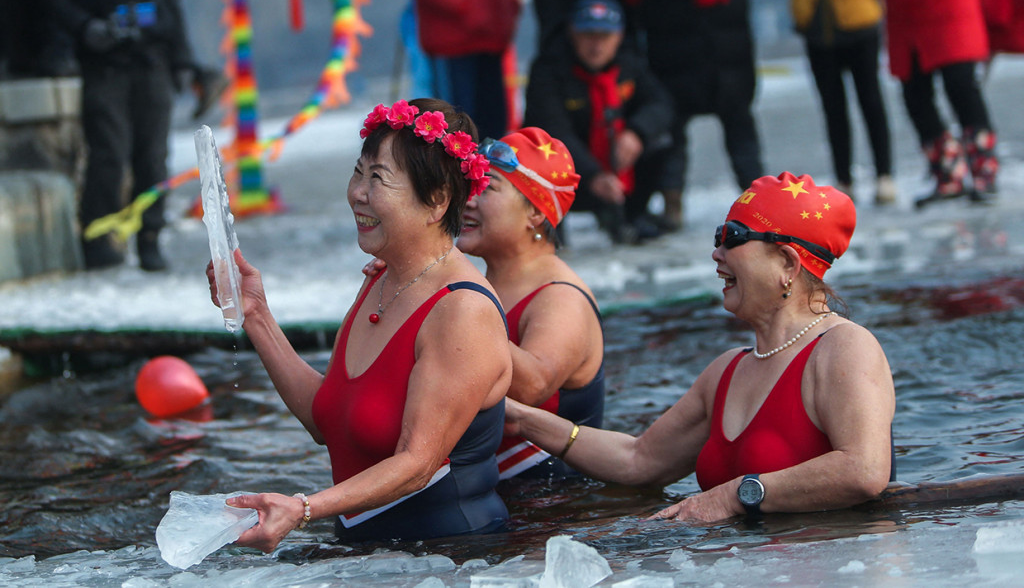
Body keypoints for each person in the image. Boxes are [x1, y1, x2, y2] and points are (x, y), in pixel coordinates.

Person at [207, 98, 513, 550]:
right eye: (358, 172)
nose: (357, 193)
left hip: (453, 559)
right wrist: (256, 314)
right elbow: (326, 419)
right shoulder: (381, 280)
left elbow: (417, 464)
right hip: (371, 556)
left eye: (378, 178)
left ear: (437, 201)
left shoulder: (462, 310)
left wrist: (303, 508)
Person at [504, 172, 896, 521]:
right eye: (717, 238)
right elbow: (638, 460)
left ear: (787, 264)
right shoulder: (727, 370)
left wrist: (735, 496)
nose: (716, 253)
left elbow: (863, 471)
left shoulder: (844, 347)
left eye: (733, 238)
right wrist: (522, 419)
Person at [47, 0, 194, 271]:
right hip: (104, 65)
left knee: (153, 156)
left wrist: (182, 61)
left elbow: (170, 1)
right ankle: (99, 240)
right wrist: (86, 27)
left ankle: (150, 238)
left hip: (152, 60)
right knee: (109, 153)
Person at [608, 0, 766, 230]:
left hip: (726, 31)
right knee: (672, 125)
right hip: (667, 29)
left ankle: (759, 203)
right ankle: (672, 202)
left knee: (739, 118)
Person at [461, 127, 605, 479]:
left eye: (487, 187)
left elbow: (533, 386)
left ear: (536, 214)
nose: (468, 199)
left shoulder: (561, 297)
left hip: (552, 503)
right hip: (494, 495)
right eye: (471, 184)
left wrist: (446, 300)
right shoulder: (477, 286)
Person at [848, 0, 999, 204]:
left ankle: (984, 171)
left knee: (960, 85)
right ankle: (947, 174)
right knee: (914, 93)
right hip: (904, 7)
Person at [523, 0, 674, 243]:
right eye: (588, 35)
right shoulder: (549, 69)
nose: (597, 45)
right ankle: (550, 226)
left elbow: (661, 103)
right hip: (572, 173)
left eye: (605, 36)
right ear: (572, 34)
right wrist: (592, 174)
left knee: (661, 140)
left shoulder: (630, 63)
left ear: (619, 36)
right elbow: (552, 130)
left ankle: (631, 215)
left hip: (616, 166)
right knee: (539, 155)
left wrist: (636, 133)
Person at [776, 0, 897, 205]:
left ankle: (884, 175)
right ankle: (844, 179)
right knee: (833, 108)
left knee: (871, 100)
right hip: (818, 29)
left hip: (859, 24)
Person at [397, 0, 521, 141]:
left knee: (495, 130)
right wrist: (466, 7)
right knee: (457, 132)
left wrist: (510, 2)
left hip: (492, 38)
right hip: (453, 43)